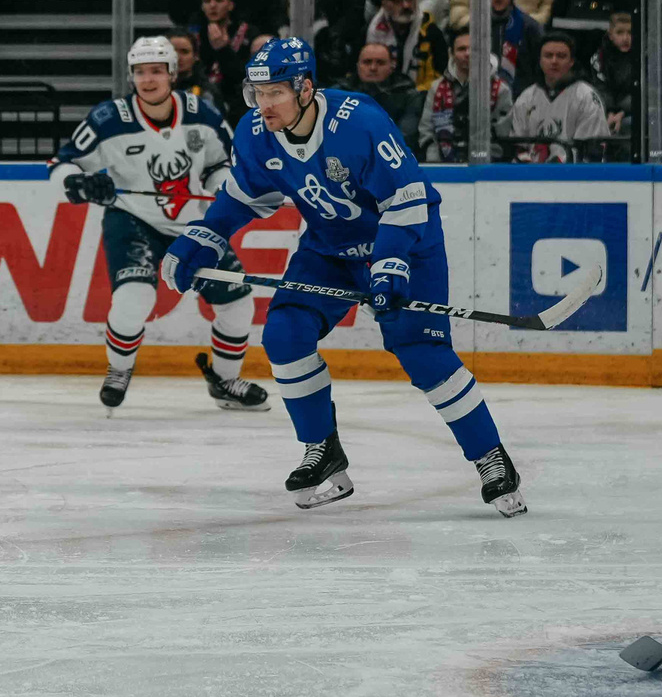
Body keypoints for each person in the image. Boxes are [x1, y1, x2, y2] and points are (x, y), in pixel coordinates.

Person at [159, 36, 525, 517]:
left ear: (305, 89)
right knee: (286, 334)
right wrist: (200, 238)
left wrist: (390, 263)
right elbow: (242, 198)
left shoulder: (360, 121)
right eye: (257, 93)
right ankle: (323, 453)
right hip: (329, 246)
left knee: (423, 354)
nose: (263, 104)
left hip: (407, 242)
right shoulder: (254, 133)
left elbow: (408, 198)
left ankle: (491, 458)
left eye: (274, 93)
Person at [48, 35, 265, 412]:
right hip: (131, 219)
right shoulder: (108, 118)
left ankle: (226, 381)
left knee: (238, 303)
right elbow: (61, 164)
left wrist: (221, 190)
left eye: (156, 71)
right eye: (139, 72)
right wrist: (79, 183)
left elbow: (222, 164)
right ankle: (119, 370)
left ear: (172, 73)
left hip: (193, 225)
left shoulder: (202, 112)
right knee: (135, 297)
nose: (148, 80)